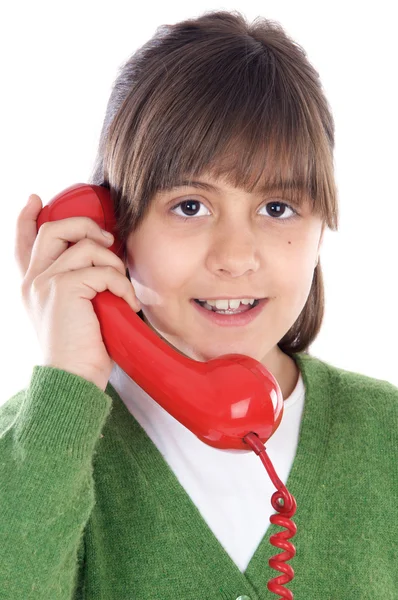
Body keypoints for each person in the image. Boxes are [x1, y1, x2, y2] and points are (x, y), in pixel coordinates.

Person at [1, 9, 397, 599]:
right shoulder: (34, 453)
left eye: (278, 208)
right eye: (190, 206)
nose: (235, 257)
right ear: (112, 226)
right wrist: (69, 384)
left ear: (321, 230)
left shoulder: (383, 434)